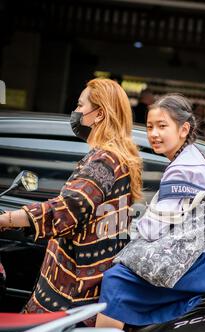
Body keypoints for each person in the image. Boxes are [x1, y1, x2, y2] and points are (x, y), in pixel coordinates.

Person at [70, 93, 205, 332]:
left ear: (184, 129)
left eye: (162, 126)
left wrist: (127, 232)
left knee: (115, 280)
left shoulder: (184, 168)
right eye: (149, 126)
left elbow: (152, 227)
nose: (154, 134)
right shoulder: (194, 159)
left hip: (202, 263)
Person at [0, 78, 142, 319]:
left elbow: (67, 208)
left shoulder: (104, 161)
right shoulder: (117, 159)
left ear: (99, 115)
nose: (75, 112)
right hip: (83, 293)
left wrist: (6, 220)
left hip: (69, 296)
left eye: (79, 106)